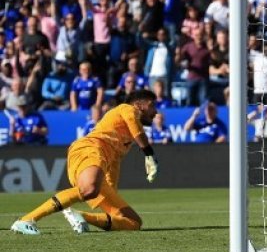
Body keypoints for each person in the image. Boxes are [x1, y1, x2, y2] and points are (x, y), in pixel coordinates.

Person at [10, 90, 159, 235]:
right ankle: (26, 220)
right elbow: (136, 128)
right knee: (88, 189)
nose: (156, 111)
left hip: (97, 160)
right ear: (139, 105)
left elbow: (114, 165)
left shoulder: (124, 139)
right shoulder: (126, 108)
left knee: (132, 222)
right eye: (152, 105)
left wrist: (111, 193)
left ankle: (81, 216)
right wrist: (148, 153)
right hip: (89, 149)